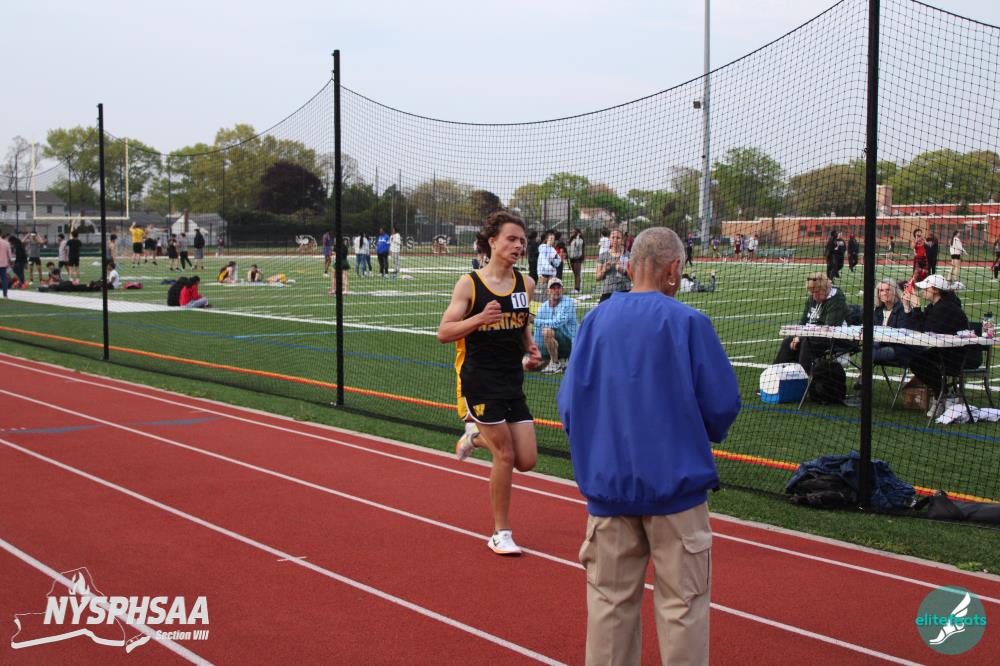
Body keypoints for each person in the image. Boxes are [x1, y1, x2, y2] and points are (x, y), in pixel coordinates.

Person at [557, 227, 740, 666]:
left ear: (629, 264)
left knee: (609, 609)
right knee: (683, 609)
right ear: (674, 269)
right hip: (675, 492)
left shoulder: (596, 320)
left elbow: (568, 406)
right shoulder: (688, 322)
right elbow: (721, 405)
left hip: (609, 490)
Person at [437, 209, 540, 556]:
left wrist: (530, 347)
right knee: (506, 455)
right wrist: (479, 318)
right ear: (492, 242)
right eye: (511, 239)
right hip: (479, 380)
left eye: (522, 241)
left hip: (512, 381)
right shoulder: (470, 284)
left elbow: (521, 322)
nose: (518, 245)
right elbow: (444, 332)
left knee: (527, 460)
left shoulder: (526, 284)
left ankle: (473, 436)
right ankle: (500, 532)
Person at [901, 273, 972, 417]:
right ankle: (941, 393)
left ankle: (940, 396)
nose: (922, 291)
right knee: (916, 361)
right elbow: (917, 326)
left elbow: (925, 329)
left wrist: (917, 307)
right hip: (943, 350)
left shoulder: (946, 308)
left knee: (919, 363)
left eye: (925, 288)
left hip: (959, 355)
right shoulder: (934, 306)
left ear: (935, 290)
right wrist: (907, 308)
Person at [773, 273, 850, 374]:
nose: (814, 295)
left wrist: (802, 336)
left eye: (816, 292)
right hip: (810, 335)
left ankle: (803, 376)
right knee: (788, 342)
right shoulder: (812, 299)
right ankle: (775, 375)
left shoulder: (837, 300)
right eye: (811, 292)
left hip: (834, 337)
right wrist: (797, 335)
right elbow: (803, 321)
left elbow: (829, 327)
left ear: (825, 288)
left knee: (807, 342)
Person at [532, 277, 578, 374]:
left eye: (558, 287)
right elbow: (537, 331)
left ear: (562, 290)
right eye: (553, 288)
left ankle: (558, 362)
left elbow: (557, 323)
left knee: (547, 331)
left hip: (572, 344)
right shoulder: (543, 307)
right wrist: (538, 351)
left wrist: (534, 320)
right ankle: (556, 361)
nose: (556, 290)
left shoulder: (568, 303)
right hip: (554, 346)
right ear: (548, 291)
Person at [871, 278, 913, 365]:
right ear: (878, 294)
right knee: (870, 348)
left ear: (895, 292)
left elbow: (902, 333)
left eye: (888, 290)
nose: (884, 293)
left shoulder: (903, 308)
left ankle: (863, 373)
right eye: (881, 290)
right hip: (881, 344)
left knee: (869, 352)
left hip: (898, 348)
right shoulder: (878, 310)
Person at [595, 228, 631, 303]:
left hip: (624, 292)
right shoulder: (603, 256)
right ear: (609, 239)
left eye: (618, 238)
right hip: (608, 292)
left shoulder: (628, 255)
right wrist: (604, 270)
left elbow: (633, 277)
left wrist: (623, 271)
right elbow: (597, 278)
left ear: (622, 240)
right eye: (613, 237)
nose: (615, 240)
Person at [535, 231, 561, 295]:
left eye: (553, 239)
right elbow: (543, 261)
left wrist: (556, 260)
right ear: (547, 239)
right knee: (542, 292)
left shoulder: (553, 250)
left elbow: (556, 262)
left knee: (550, 291)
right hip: (543, 272)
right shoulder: (543, 248)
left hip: (551, 273)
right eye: (551, 239)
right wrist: (550, 268)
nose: (552, 240)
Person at [567, 228, 585, 294]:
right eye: (572, 231)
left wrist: (578, 236)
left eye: (574, 232)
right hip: (572, 259)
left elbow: (577, 245)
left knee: (577, 274)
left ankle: (577, 289)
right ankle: (576, 288)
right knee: (575, 274)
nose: (572, 233)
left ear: (577, 233)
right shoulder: (572, 239)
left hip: (577, 259)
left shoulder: (580, 240)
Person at [0, 233, 12, 298]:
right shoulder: (6, 243)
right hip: (3, 263)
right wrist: (10, 262)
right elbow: (9, 255)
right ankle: (5, 294)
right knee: (4, 279)